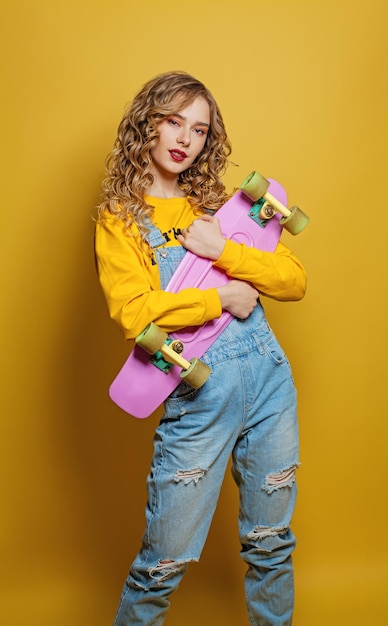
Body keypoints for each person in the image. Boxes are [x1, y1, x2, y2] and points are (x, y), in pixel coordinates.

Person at [95, 70, 307, 626]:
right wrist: (223, 297)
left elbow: (293, 281)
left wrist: (225, 252)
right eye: (172, 121)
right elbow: (136, 313)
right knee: (162, 565)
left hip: (269, 386)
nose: (184, 139)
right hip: (200, 393)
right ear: (148, 123)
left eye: (198, 129)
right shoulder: (121, 222)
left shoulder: (222, 208)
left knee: (271, 544)